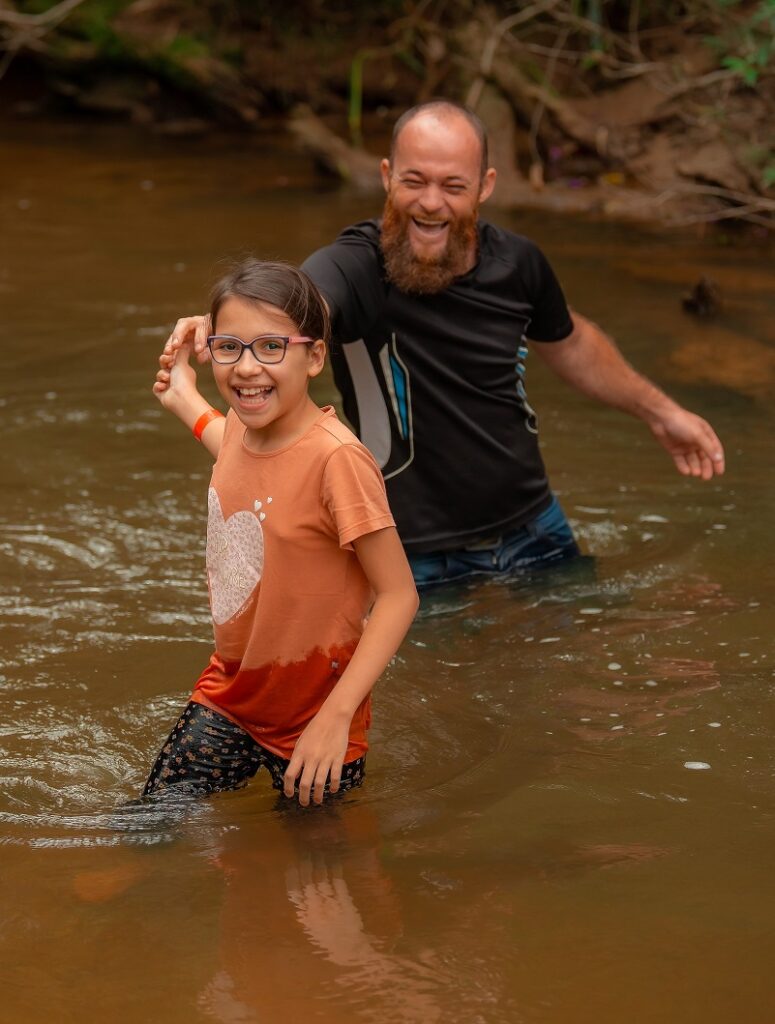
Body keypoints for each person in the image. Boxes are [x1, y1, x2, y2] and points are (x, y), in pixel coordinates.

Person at [158, 99, 725, 589]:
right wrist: (236, 328)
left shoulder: (519, 264)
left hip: (534, 526)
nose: (431, 203)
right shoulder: (357, 266)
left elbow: (570, 343)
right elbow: (302, 305)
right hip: (412, 551)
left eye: (453, 186)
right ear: (386, 175)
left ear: (486, 186)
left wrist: (662, 412)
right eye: (414, 181)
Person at [146, 258, 418, 806]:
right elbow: (224, 439)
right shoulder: (240, 438)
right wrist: (181, 392)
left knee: (312, 867)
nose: (248, 368)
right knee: (154, 820)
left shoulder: (337, 460)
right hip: (232, 696)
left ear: (315, 355)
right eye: (230, 349)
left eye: (272, 347)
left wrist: (336, 718)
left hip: (316, 717)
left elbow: (399, 595)